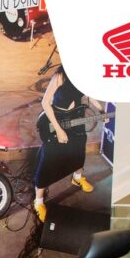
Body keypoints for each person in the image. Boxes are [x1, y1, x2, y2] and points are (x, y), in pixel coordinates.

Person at [33, 65, 104, 222]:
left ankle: (77, 178)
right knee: (49, 159)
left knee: (79, 150)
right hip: (57, 120)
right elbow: (45, 103)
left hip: (76, 117)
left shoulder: (84, 75)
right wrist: (59, 130)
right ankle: (38, 202)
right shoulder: (60, 76)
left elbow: (89, 95)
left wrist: (101, 111)